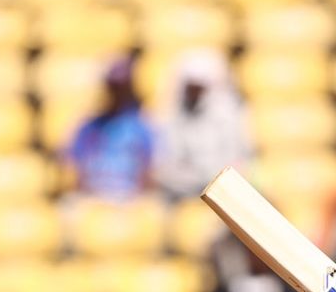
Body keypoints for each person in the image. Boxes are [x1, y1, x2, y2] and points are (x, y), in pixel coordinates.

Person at [154, 49, 252, 203]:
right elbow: (166, 166)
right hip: (183, 196)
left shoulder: (231, 116)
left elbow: (238, 162)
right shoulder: (172, 116)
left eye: (199, 87)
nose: (195, 93)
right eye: (191, 87)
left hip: (224, 195)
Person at [61, 56, 155, 201]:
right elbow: (78, 172)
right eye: (113, 88)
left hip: (129, 200)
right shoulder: (87, 128)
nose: (117, 94)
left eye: (121, 89)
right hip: (93, 199)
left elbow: (147, 174)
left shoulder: (142, 128)